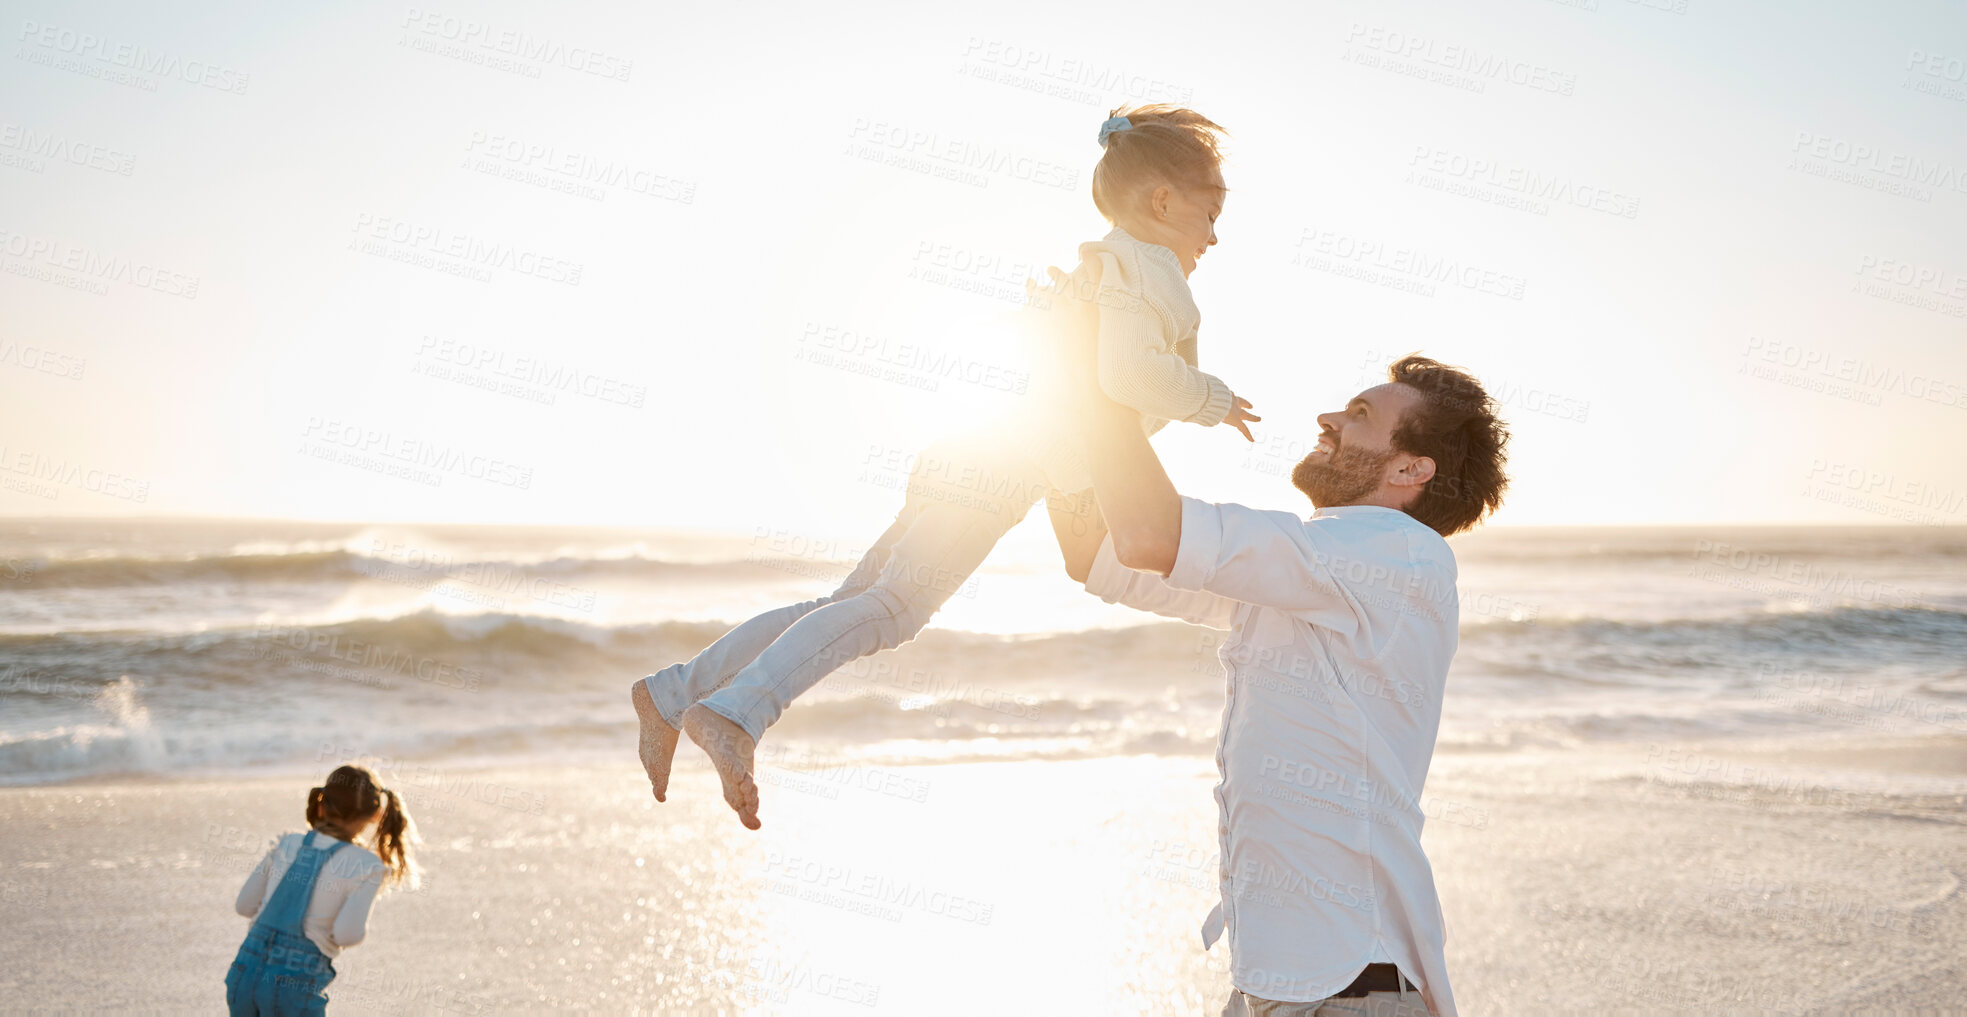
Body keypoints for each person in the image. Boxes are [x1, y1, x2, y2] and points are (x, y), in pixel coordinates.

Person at [633, 103, 1260, 829]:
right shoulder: (1152, 274)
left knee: (847, 602)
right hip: (1002, 464)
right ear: (1161, 201)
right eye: (1209, 215)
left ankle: (674, 691)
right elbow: (1127, 376)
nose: (1213, 238)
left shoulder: (1105, 263)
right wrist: (1210, 398)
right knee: (892, 610)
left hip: (974, 440)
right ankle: (736, 714)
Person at [1046, 347, 1509, 1017]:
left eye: (1356, 415)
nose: (1325, 419)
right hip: (1283, 986)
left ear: (1410, 467)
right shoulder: (1316, 571)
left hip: (1344, 989)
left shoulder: (1393, 554)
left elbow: (1150, 532)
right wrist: (1060, 413)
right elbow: (1101, 552)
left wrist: (1098, 379)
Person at [226, 764, 417, 1016]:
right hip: (294, 988)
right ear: (377, 813)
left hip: (243, 975)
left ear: (321, 803)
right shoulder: (367, 865)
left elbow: (244, 906)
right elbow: (347, 934)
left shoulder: (287, 842)